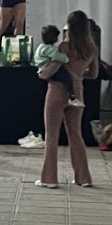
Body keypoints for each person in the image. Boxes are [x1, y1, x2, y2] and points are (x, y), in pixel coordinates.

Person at [36, 10, 98, 188]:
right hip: (78, 90)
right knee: (76, 134)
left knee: (52, 134)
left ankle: (49, 179)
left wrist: (42, 74)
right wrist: (79, 74)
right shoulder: (92, 49)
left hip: (57, 90)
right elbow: (94, 74)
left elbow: (54, 69)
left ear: (70, 27)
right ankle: (83, 178)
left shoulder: (64, 46)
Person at [34, 25, 86, 108]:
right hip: (49, 70)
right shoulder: (50, 49)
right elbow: (57, 57)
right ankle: (72, 97)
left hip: (41, 69)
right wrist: (66, 58)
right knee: (68, 78)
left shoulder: (40, 47)